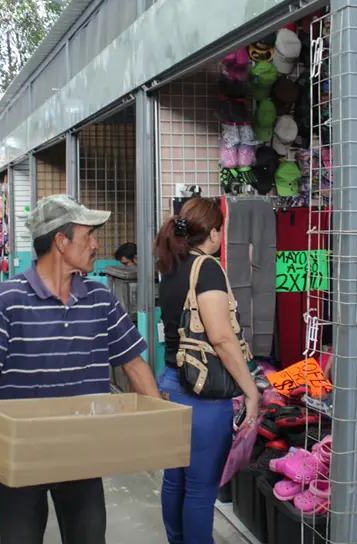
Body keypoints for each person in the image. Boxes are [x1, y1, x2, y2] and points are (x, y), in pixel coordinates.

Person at [0, 194, 160, 544]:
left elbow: (133, 363)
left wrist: (158, 421)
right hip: (20, 453)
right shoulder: (7, 299)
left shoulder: (100, 301)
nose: (95, 245)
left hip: (83, 452)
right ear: (61, 242)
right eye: (88, 236)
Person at [154, 198, 259, 544]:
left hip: (171, 383)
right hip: (201, 393)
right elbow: (222, 337)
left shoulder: (172, 266)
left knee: (175, 480)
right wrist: (251, 390)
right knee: (200, 488)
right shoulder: (207, 268)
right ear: (214, 233)